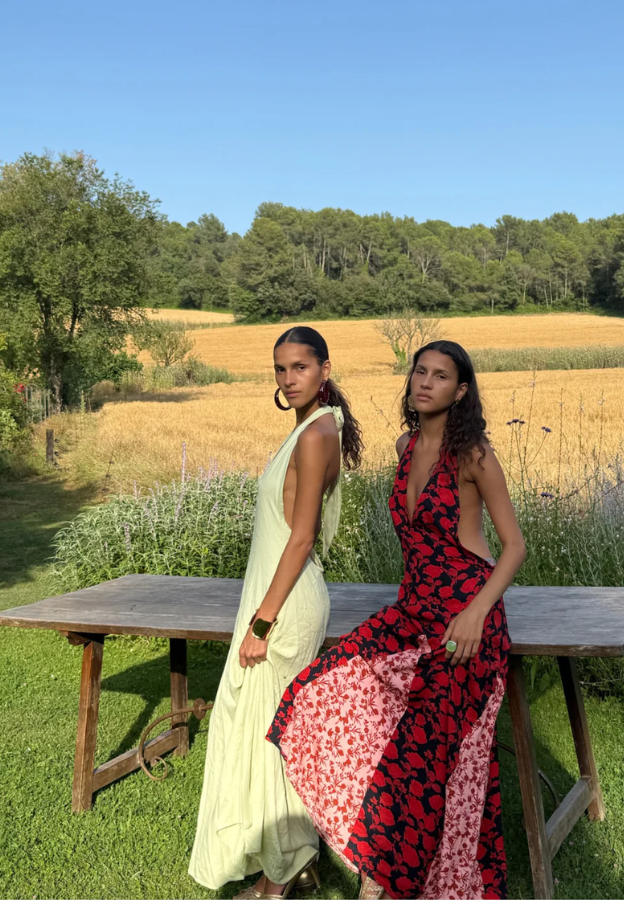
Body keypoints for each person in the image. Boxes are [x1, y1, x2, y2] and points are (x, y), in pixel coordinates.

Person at [267, 340, 526, 900]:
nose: (425, 382)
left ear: (461, 391)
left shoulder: (474, 454)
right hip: (412, 611)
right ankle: (372, 852)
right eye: (419, 372)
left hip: (465, 617)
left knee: (423, 755)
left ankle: (384, 878)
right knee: (313, 694)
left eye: (440, 376)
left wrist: (476, 613)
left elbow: (514, 547)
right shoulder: (405, 446)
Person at [189, 326, 363, 899]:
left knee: (272, 738)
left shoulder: (316, 435)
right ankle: (289, 864)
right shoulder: (309, 429)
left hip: (283, 605)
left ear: (325, 370)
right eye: (280, 370)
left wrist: (263, 623)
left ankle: (278, 877)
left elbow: (301, 537)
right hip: (273, 594)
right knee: (260, 728)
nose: (289, 380)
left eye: (300, 368)